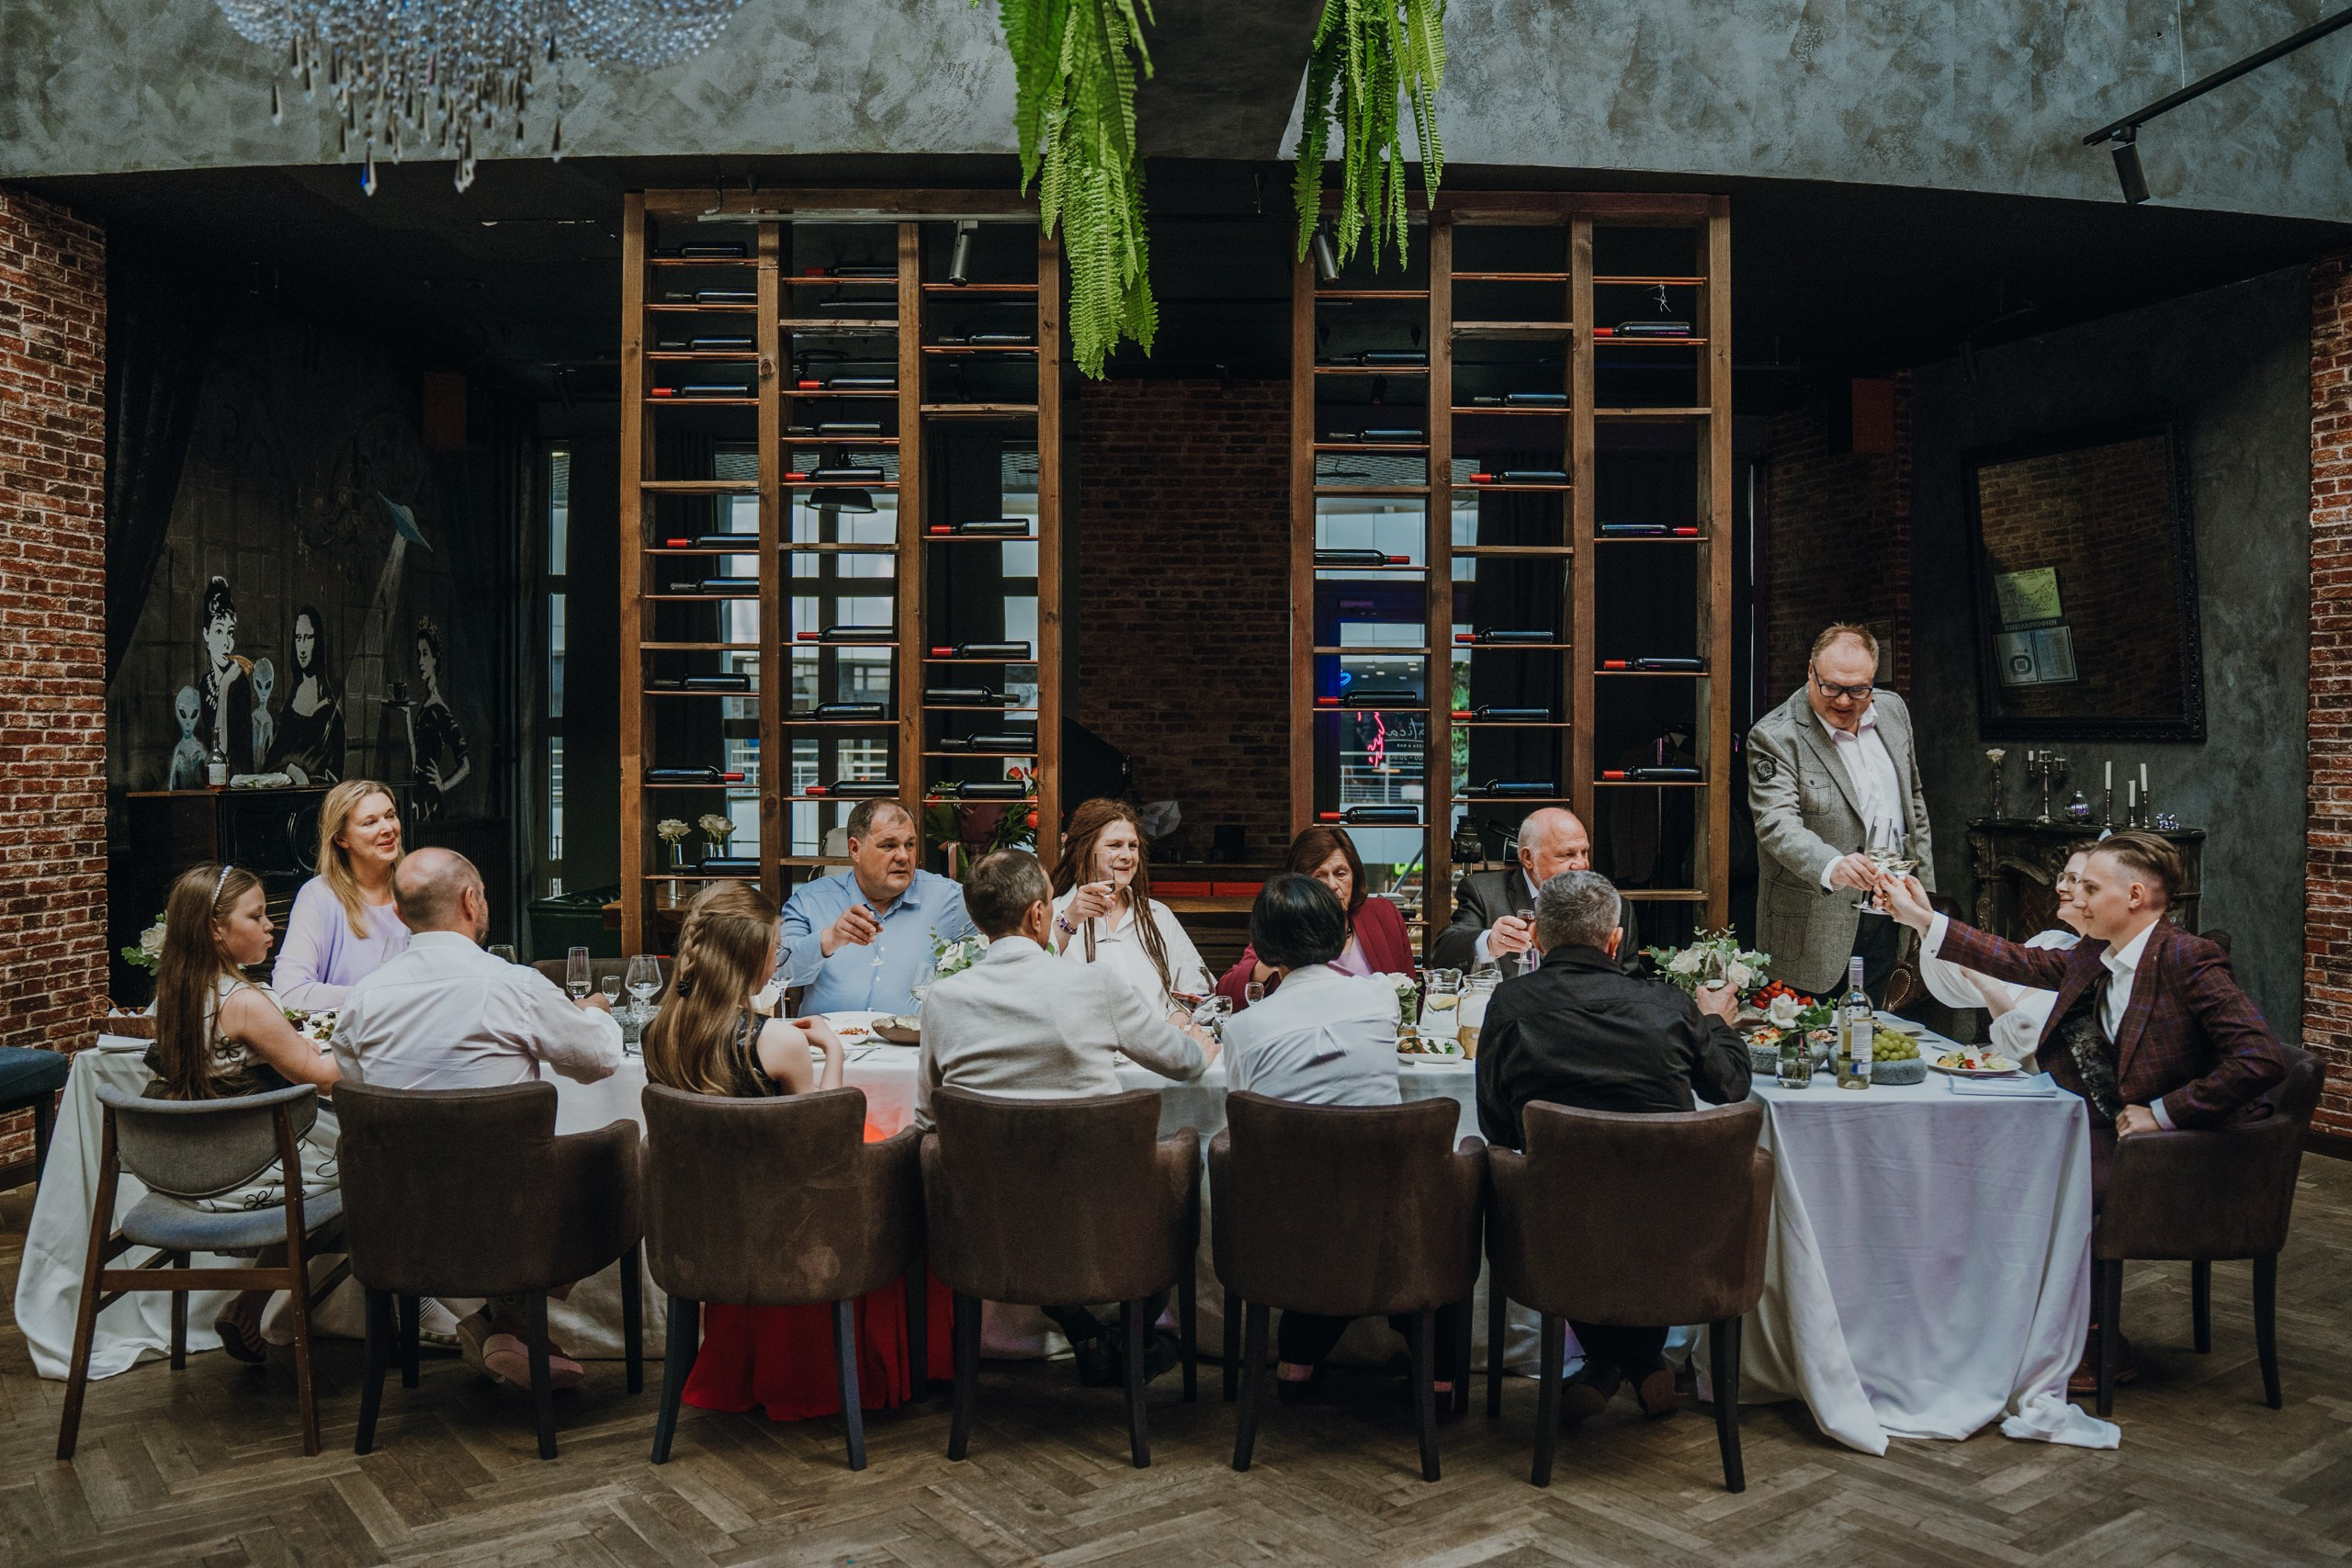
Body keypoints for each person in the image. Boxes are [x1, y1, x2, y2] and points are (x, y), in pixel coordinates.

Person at [1881, 831, 2289, 1391]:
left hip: (2193, 1152)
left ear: (2136, 896)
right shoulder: (2099, 955)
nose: (2077, 896)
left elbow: (2260, 1058)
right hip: (2115, 1128)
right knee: (1997, 1168)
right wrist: (1925, 920)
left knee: (2046, 1182)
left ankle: (2095, 1343)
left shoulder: (2188, 958)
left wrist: (2163, 1113)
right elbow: (2018, 960)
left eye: (2092, 888)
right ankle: (2013, 1325)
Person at [644, 883, 948, 1422]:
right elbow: (822, 1140)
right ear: (754, 958)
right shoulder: (776, 1041)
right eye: (777, 948)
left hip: (705, 1224)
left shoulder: (657, 1033)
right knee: (906, 1168)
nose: (779, 959)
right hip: (789, 1226)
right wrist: (831, 1048)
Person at [918, 848, 1216, 1384]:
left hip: (988, 1223)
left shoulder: (942, 999)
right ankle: (1132, 1333)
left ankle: (1083, 1329)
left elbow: (926, 1119)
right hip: (1100, 1217)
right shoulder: (1094, 985)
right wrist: (1200, 1043)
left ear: (981, 921)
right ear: (1038, 914)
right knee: (1187, 1158)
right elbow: (1186, 1064)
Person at [333, 848, 623, 1392]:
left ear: (400, 914)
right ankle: (507, 1319)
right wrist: (594, 1015)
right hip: (511, 1224)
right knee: (609, 1158)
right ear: (471, 901)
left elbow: (357, 1091)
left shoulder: (363, 999)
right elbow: (600, 1062)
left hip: (397, 1225)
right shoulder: (512, 985)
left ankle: (503, 1323)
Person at [1476, 869, 1750, 1426]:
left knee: (1574, 1210)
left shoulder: (1510, 1004)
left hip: (1553, 1233)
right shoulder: (1669, 1006)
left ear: (1538, 937)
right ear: (1615, 940)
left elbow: (1496, 1127)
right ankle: (1640, 1362)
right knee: (1634, 1217)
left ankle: (1605, 1368)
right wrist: (1716, 1022)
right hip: (1674, 1232)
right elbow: (1731, 1086)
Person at [1219, 874, 1464, 1402]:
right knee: (1437, 1195)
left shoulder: (1242, 1030)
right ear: (1339, 937)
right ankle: (1440, 1378)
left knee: (1320, 1208)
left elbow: (1242, 1118)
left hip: (1288, 1228)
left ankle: (1297, 1359)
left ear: (1263, 945)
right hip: (1389, 1219)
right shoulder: (1378, 997)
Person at [149, 862, 342, 1362]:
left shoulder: (175, 995)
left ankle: (248, 1307)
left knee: (328, 1162)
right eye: (255, 916)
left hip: (189, 1170)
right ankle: (418, 1307)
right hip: (241, 1178)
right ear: (216, 929)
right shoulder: (244, 1003)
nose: (269, 926)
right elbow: (321, 1076)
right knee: (373, 1163)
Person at [1746, 622, 1935, 1000]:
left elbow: (1913, 801)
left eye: (1858, 689)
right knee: (1810, 1034)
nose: (1844, 701)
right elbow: (1776, 823)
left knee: (1874, 1028)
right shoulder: (1775, 736)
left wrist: (1926, 893)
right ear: (1810, 672)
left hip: (1890, 910)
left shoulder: (1893, 711)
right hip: (1814, 926)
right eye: (1831, 687)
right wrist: (1833, 865)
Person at [775, 798, 978, 1014]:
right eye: (889, 845)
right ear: (855, 849)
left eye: (909, 845)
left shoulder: (951, 900)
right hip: (825, 1035)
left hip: (913, 1036)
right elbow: (777, 972)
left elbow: (988, 973)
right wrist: (830, 939)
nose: (903, 856)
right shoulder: (811, 900)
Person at [1917, 845, 2092, 1071]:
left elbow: (2052, 1066)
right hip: (1994, 1069)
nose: (2059, 887)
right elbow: (1961, 988)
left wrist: (1989, 986)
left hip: (2034, 1081)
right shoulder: (2051, 942)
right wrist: (1922, 921)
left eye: (2074, 879)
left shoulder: (2102, 971)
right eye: (2063, 877)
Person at [1216, 825, 1417, 1009]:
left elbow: (1411, 996)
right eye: (1319, 876)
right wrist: (1273, 959)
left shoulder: (1383, 914)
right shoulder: (1285, 922)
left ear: (1354, 876)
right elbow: (1227, 994)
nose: (1332, 885)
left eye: (1340, 874)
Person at [1430, 807, 1640, 976]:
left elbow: (1631, 983)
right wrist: (1489, 942)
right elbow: (1443, 953)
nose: (1581, 864)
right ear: (1528, 858)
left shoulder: (1615, 906)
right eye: (1566, 854)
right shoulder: (1485, 892)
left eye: (1584, 852)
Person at [1049, 797, 1210, 1010]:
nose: (1127, 856)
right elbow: (1032, 986)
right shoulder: (1053, 914)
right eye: (1115, 845)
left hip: (1158, 1031)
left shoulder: (1157, 915)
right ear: (1084, 850)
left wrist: (1181, 1013)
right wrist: (1068, 921)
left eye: (1133, 846)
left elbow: (1198, 988)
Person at [272, 778, 409, 1009]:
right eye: (370, 822)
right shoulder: (319, 895)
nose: (387, 828)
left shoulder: (418, 887)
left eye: (390, 815)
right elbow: (290, 991)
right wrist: (376, 997)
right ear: (341, 838)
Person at [268, 604, 347, 785]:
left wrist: (305, 777)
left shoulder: (330, 715)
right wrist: (291, 770)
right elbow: (270, 764)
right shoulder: (289, 708)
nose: (302, 647)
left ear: (317, 641)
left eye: (308, 638)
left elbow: (333, 779)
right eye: (298, 638)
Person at [404, 617, 469, 822]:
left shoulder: (440, 711)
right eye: (418, 654)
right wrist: (406, 716)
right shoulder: (426, 706)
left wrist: (443, 785)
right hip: (419, 798)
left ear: (435, 659)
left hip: (430, 802)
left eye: (425, 654)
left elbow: (465, 765)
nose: (420, 662)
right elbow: (416, 758)